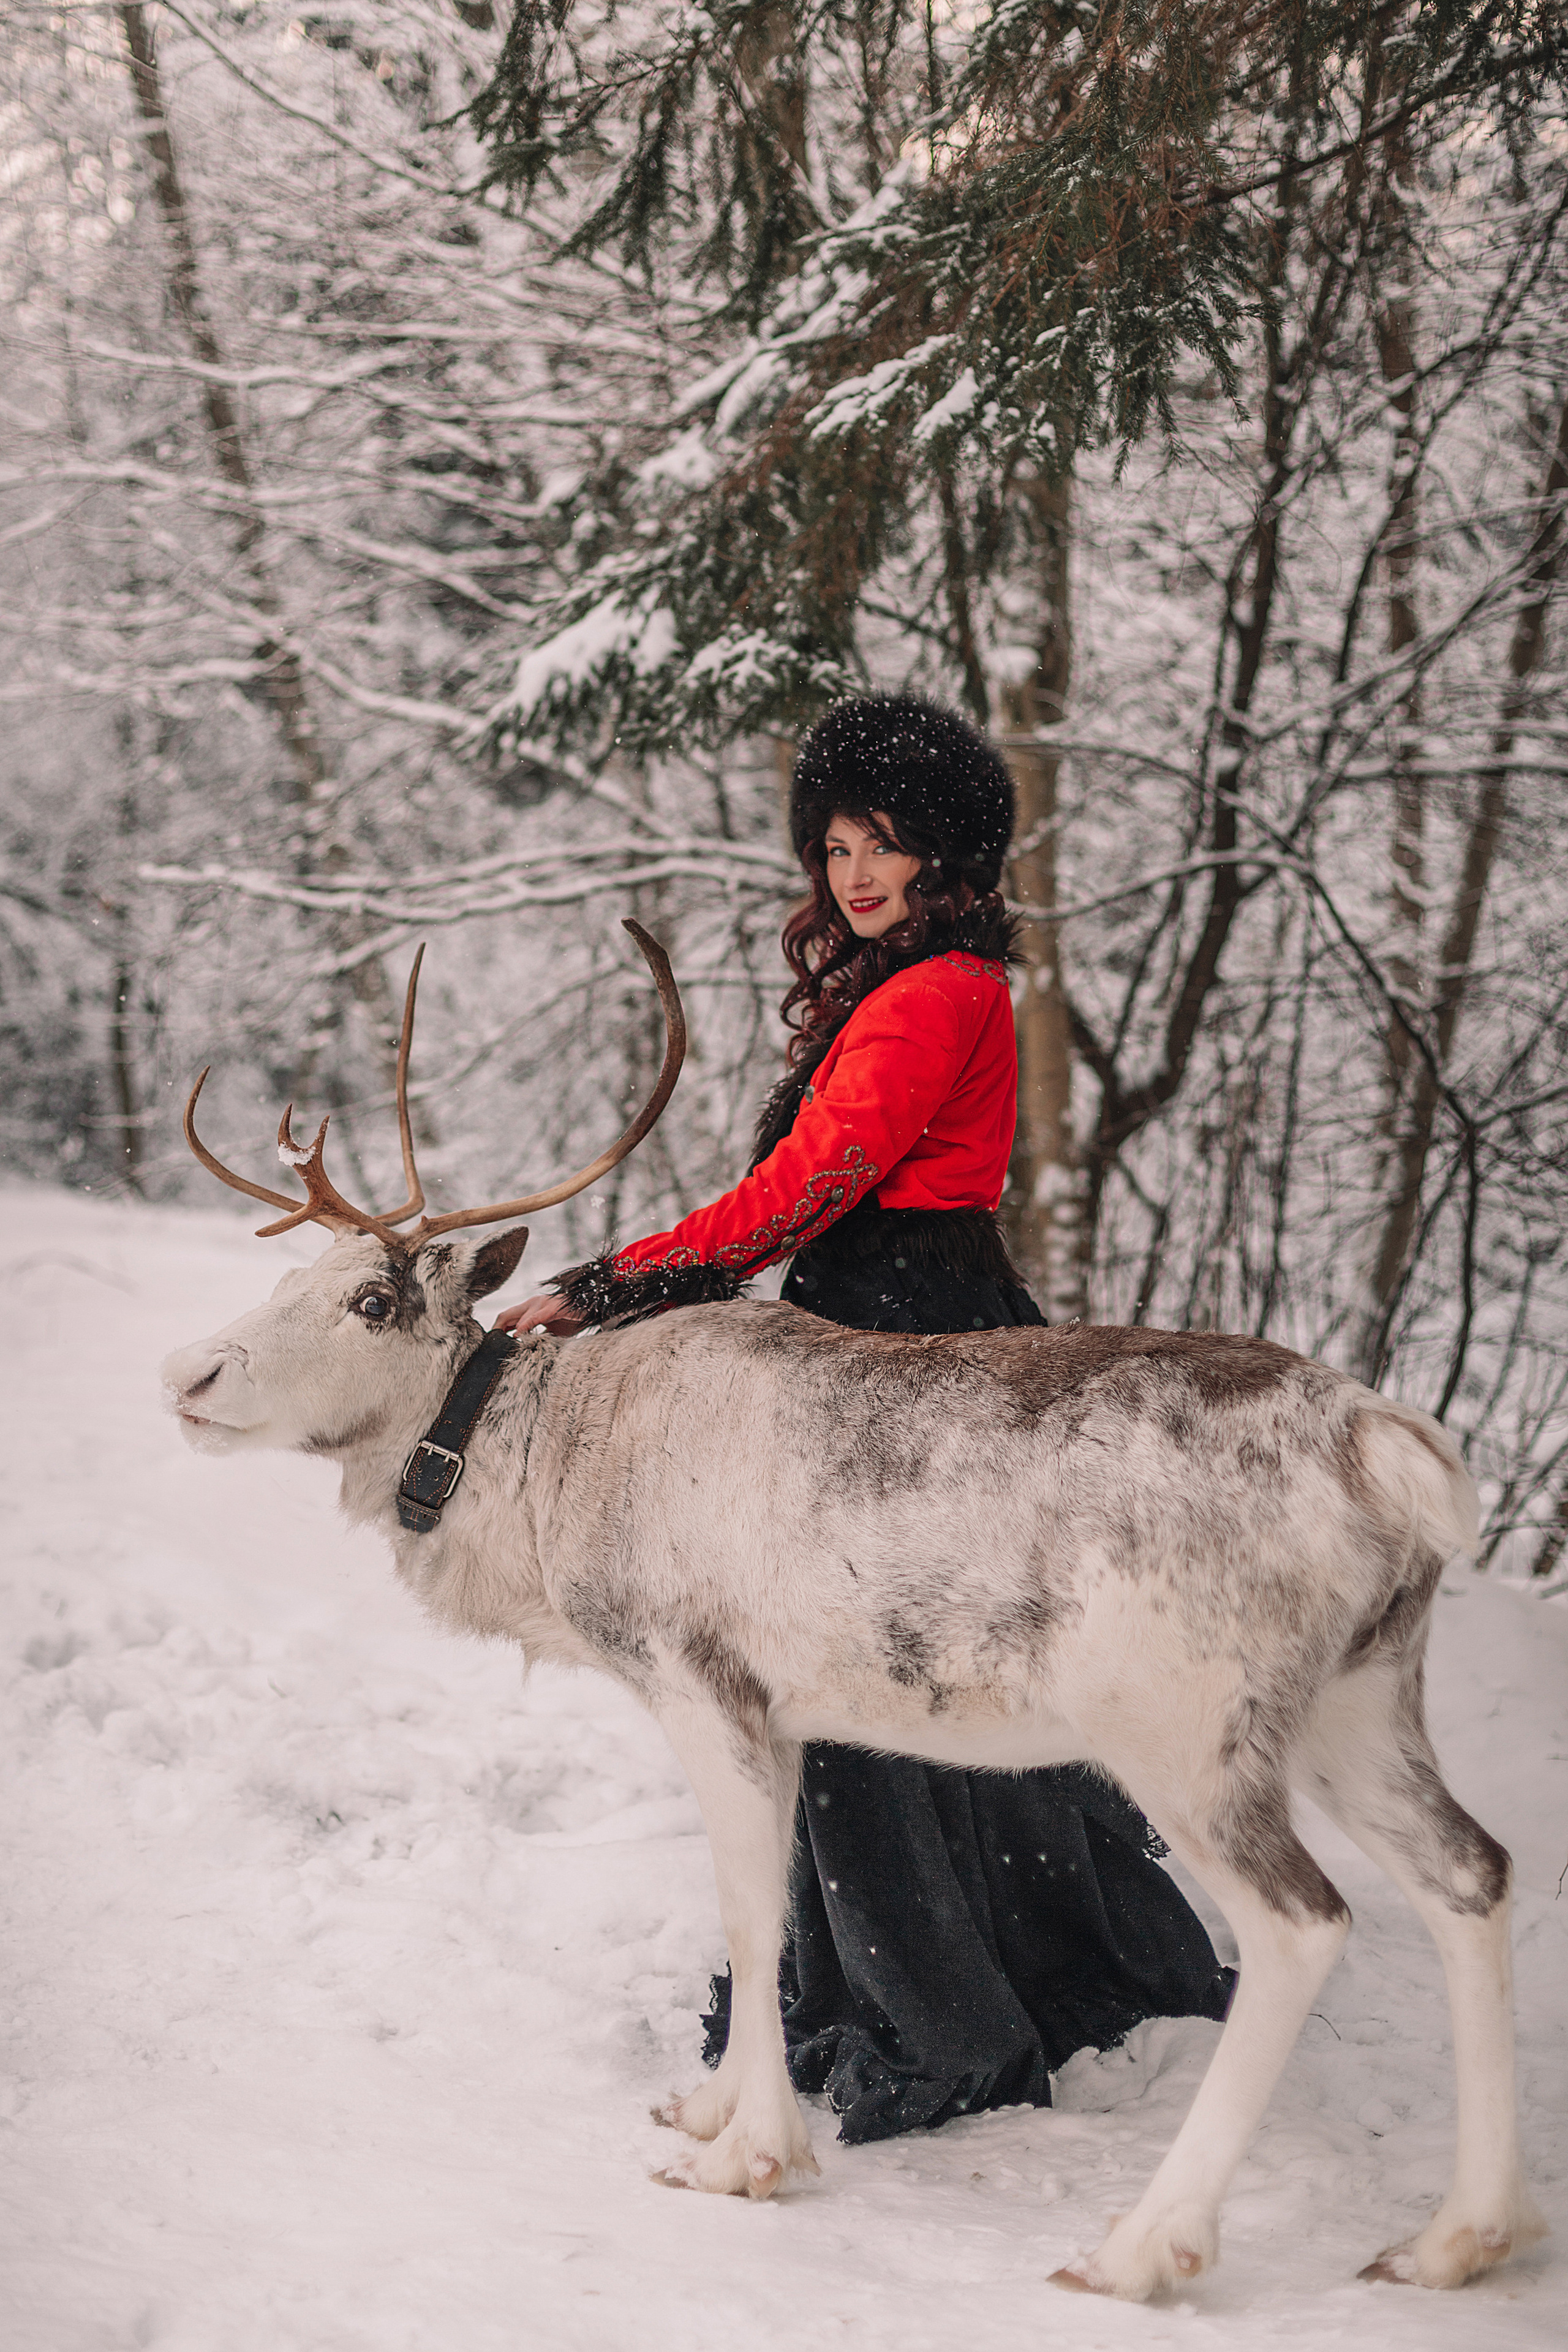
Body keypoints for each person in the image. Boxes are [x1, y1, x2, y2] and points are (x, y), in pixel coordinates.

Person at [498, 693, 1232, 2144]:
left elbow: (809, 1189)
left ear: (946, 848)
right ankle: (1015, 1966)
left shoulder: (937, 991)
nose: (854, 871)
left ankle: (939, 2014)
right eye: (833, 843)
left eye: (884, 841)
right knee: (925, 1674)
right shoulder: (905, 981)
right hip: (887, 1336)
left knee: (869, 1684)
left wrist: (606, 1285)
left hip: (904, 1350)